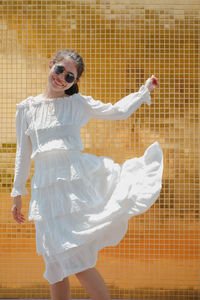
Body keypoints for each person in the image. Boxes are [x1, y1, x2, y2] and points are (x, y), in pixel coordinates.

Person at [11, 49, 163, 300]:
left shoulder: (77, 104)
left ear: (74, 82)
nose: (61, 78)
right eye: (59, 70)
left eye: (69, 76)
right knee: (54, 265)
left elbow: (117, 111)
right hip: (44, 192)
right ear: (51, 65)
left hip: (72, 191)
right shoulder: (26, 109)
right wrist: (18, 193)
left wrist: (143, 91)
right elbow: (22, 153)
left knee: (77, 261)